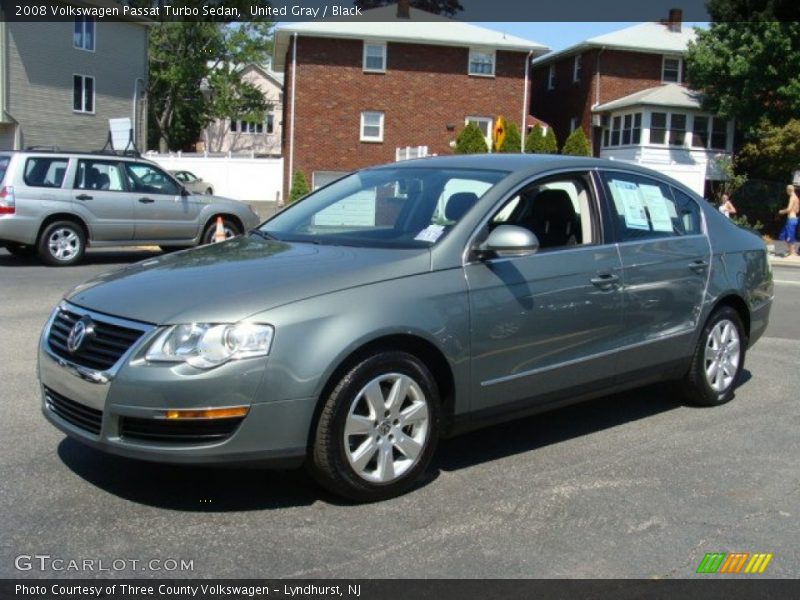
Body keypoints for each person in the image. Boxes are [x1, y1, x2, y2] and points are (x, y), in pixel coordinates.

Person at [778, 184, 800, 256]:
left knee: (789, 236)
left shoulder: (792, 197)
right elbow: (797, 210)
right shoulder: (797, 198)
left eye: (786, 190)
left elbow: (789, 209)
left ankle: (792, 253)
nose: (786, 192)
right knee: (787, 235)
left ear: (789, 190)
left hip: (791, 219)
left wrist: (781, 211)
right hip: (795, 218)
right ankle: (791, 251)